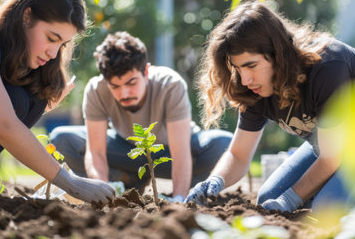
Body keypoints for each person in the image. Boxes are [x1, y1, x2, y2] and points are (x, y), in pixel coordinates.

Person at [185, 0, 355, 211]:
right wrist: (214, 180)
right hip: (333, 144)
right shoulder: (253, 87)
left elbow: (331, 157)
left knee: (328, 208)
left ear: (277, 55)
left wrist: (291, 199)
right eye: (237, 68)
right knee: (268, 199)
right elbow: (238, 154)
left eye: (251, 66)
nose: (245, 79)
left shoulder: (327, 66)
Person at [50, 31, 233, 202]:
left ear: (145, 71)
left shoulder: (170, 84)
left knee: (223, 144)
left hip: (171, 152)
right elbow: (96, 152)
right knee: (62, 139)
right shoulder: (96, 89)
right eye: (115, 86)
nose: (124, 93)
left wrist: (178, 201)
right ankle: (126, 183)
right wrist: (103, 194)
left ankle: (191, 194)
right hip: (126, 151)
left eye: (131, 83)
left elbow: (180, 152)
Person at [0, 0, 115, 203]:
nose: (53, 53)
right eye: (51, 38)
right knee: (15, 103)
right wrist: (70, 181)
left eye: (62, 44)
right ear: (27, 16)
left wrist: (42, 105)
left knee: (27, 98)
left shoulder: (9, 52)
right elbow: (4, 125)